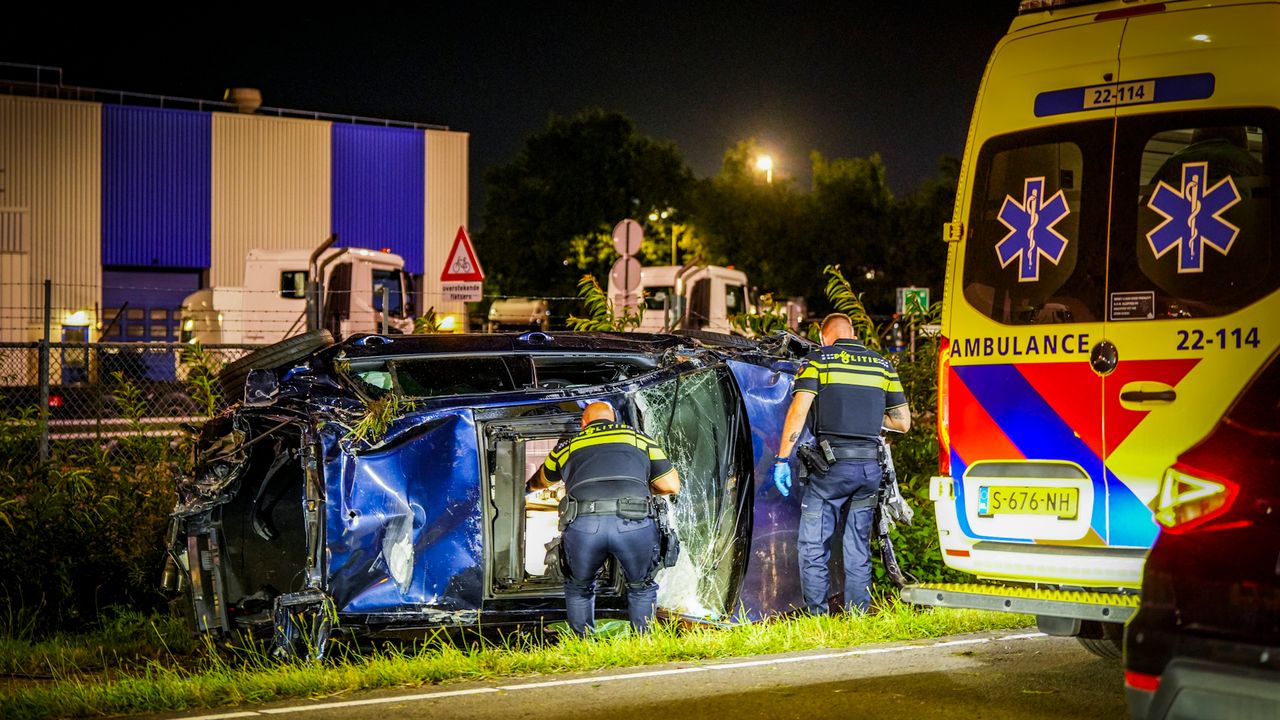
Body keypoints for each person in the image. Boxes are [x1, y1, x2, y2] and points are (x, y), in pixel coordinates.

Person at [772, 313, 911, 614]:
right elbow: (902, 423)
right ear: (853, 333)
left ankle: (818, 615)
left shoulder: (819, 360)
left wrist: (782, 458)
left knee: (813, 544)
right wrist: (869, 420)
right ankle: (858, 614)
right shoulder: (882, 365)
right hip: (869, 470)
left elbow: (798, 411)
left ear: (824, 337)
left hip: (830, 471)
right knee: (858, 543)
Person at [527, 402, 680, 635]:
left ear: (583, 423)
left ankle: (583, 643)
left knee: (579, 587)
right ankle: (645, 644)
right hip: (634, 523)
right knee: (641, 587)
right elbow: (670, 485)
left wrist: (525, 488)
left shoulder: (566, 446)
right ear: (614, 419)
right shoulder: (639, 438)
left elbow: (542, 481)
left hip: (585, 525)